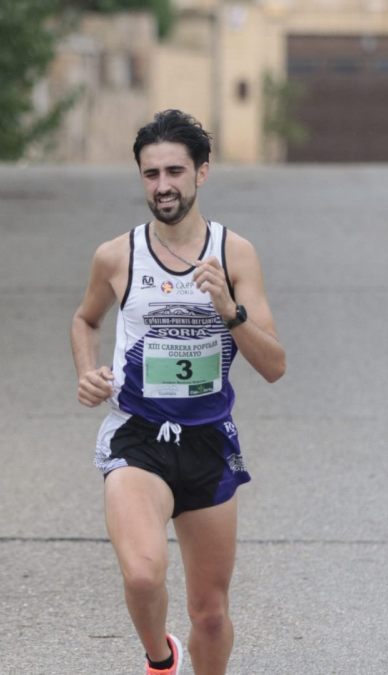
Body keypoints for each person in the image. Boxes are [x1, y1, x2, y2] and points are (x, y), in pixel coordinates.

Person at [69, 110, 286, 675]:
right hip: (138, 436)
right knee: (142, 573)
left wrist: (229, 311)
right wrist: (87, 370)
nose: (162, 185)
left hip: (209, 441)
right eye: (150, 174)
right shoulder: (117, 255)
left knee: (210, 614)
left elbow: (275, 364)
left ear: (202, 173)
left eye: (174, 171)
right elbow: (85, 319)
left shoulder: (235, 254)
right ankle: (161, 660)